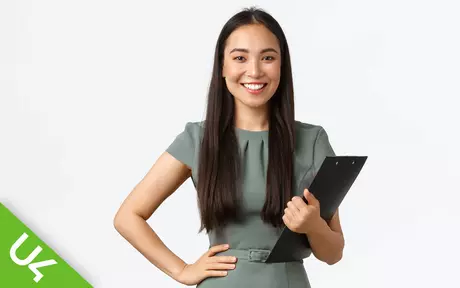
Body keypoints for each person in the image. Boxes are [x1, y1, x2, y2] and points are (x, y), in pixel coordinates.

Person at [114, 6, 345, 288]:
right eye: (240, 58)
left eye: (268, 58)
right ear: (222, 66)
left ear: (282, 66)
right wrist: (182, 270)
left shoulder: (313, 142)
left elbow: (333, 253)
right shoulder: (197, 139)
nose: (255, 71)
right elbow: (128, 217)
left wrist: (312, 226)